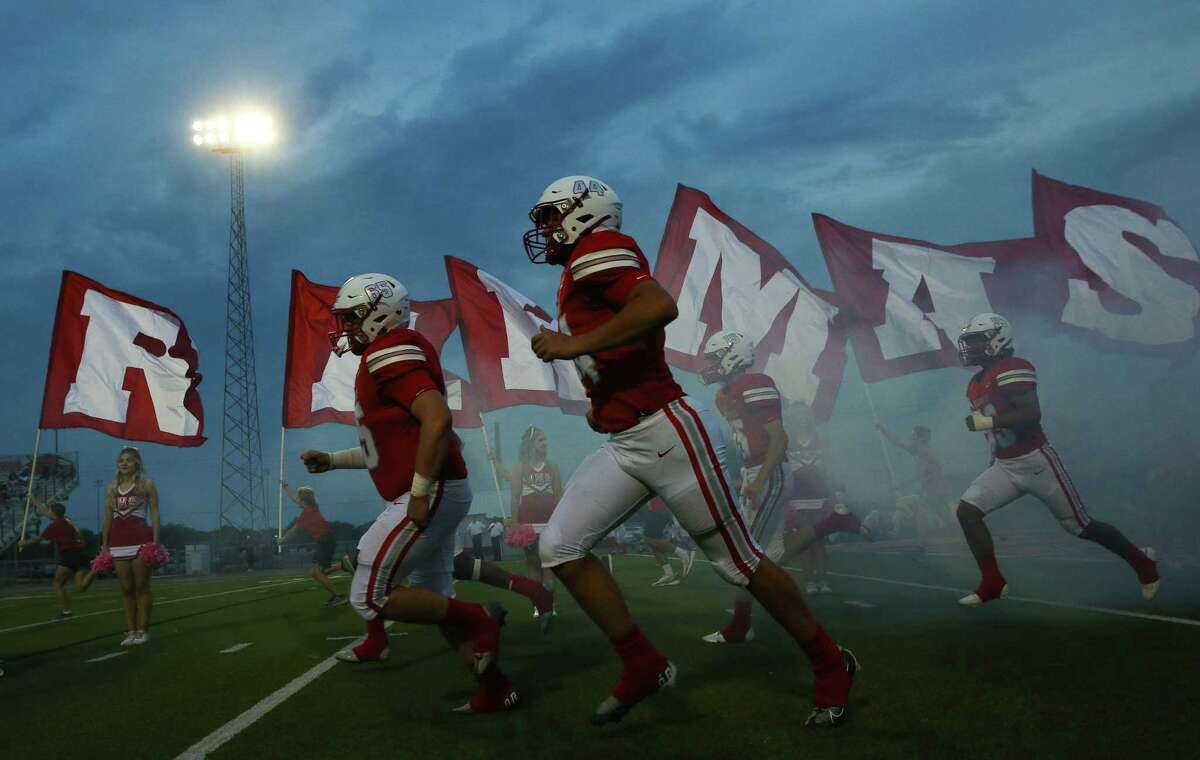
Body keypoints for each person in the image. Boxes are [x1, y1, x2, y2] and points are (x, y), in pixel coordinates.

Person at [525, 175, 857, 727]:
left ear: (584, 213)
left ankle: (831, 662)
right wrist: (600, 398)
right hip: (628, 439)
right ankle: (643, 664)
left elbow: (658, 304)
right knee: (559, 547)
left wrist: (573, 345)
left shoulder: (598, 248)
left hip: (668, 433)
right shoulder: (578, 267)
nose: (544, 229)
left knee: (739, 563)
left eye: (550, 215)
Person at [304, 272, 517, 714]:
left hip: (431, 489)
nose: (344, 329)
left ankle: (482, 619)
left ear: (379, 312)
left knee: (368, 594)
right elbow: (387, 445)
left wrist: (419, 494)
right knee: (436, 594)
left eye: (351, 318)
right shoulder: (384, 354)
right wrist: (334, 460)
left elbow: (436, 420)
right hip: (438, 488)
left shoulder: (389, 349)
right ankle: (496, 688)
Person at [953, 313, 1159, 606]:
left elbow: (1030, 414)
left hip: (1036, 462)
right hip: (1005, 464)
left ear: (997, 338)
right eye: (969, 342)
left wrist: (987, 423)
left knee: (1081, 526)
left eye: (976, 340)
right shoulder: (975, 383)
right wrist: (992, 458)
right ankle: (993, 581)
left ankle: (1142, 562)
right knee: (967, 512)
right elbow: (995, 435)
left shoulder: (1013, 367)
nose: (970, 347)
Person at [698, 332, 792, 642]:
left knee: (747, 552)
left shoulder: (755, 383)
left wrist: (760, 480)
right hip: (756, 474)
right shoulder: (724, 394)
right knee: (772, 552)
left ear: (731, 355)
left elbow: (779, 439)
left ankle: (742, 625)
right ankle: (769, 613)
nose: (709, 365)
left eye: (714, 358)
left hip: (770, 471)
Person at [101, 446, 159, 646]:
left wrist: (155, 542)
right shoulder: (110, 488)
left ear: (137, 463)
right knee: (126, 589)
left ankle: (143, 630)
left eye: (129, 460)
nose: (124, 463)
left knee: (141, 587)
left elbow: (155, 514)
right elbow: (108, 518)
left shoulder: (146, 484)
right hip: (118, 542)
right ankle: (131, 632)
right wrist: (104, 545)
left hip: (141, 540)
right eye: (121, 460)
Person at [18, 498, 96, 617]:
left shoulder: (54, 525)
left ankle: (67, 611)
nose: (47, 512)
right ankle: (95, 569)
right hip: (80, 554)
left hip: (69, 555)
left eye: (50, 511)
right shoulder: (66, 519)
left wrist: (24, 542)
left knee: (57, 584)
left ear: (53, 513)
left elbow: (38, 539)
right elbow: (44, 511)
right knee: (80, 588)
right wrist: (33, 500)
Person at [877, 423, 951, 539]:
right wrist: (882, 429)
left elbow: (923, 474)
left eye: (913, 435)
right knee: (925, 514)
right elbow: (898, 442)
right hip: (930, 490)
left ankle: (926, 543)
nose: (911, 437)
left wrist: (900, 485)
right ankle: (922, 544)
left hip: (936, 490)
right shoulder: (917, 450)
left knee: (940, 516)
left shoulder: (929, 453)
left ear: (920, 438)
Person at [509, 426, 563, 587]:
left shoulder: (553, 466)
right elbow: (514, 497)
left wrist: (562, 519)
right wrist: (514, 522)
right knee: (533, 562)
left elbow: (559, 494)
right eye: (541, 440)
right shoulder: (520, 468)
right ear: (531, 444)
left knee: (549, 562)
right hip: (528, 524)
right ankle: (538, 606)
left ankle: (549, 604)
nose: (545, 443)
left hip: (550, 522)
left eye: (545, 439)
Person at [279, 483, 347, 607]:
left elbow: (293, 531)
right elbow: (296, 499)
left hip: (325, 542)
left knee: (315, 573)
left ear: (303, 501)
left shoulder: (306, 515)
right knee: (323, 572)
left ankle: (338, 596)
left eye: (299, 499)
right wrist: (286, 488)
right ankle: (344, 565)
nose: (297, 501)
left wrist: (282, 540)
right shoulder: (313, 507)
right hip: (326, 541)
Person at [643, 498, 694, 587]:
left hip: (659, 510)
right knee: (655, 546)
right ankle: (669, 573)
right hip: (658, 510)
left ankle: (683, 554)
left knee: (650, 537)